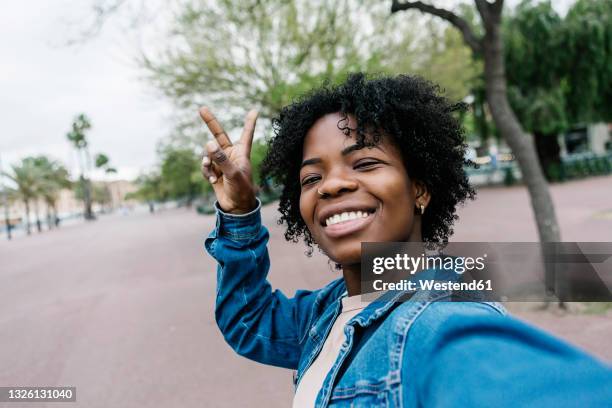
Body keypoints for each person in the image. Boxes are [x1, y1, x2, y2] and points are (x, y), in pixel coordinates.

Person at [201, 73, 611, 407]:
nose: (333, 185)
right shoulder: (325, 313)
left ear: (420, 189)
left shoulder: (441, 324)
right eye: (312, 177)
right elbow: (249, 321)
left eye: (365, 162)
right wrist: (239, 211)